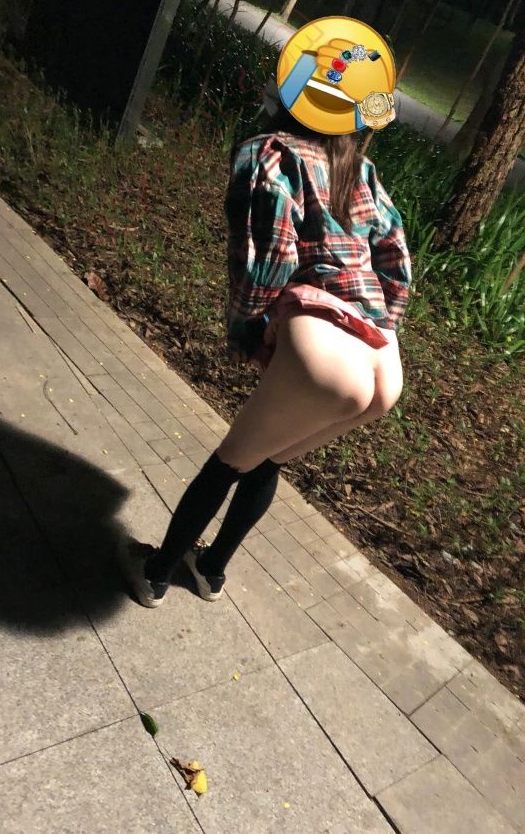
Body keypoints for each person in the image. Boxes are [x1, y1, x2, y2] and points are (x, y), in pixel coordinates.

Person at [119, 93, 412, 608]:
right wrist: (380, 323)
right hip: (384, 362)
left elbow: (268, 256)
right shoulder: (360, 169)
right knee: (270, 456)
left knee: (229, 460)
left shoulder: (270, 152)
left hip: (322, 344)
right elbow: (397, 263)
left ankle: (156, 574)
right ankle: (211, 571)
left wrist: (248, 330)